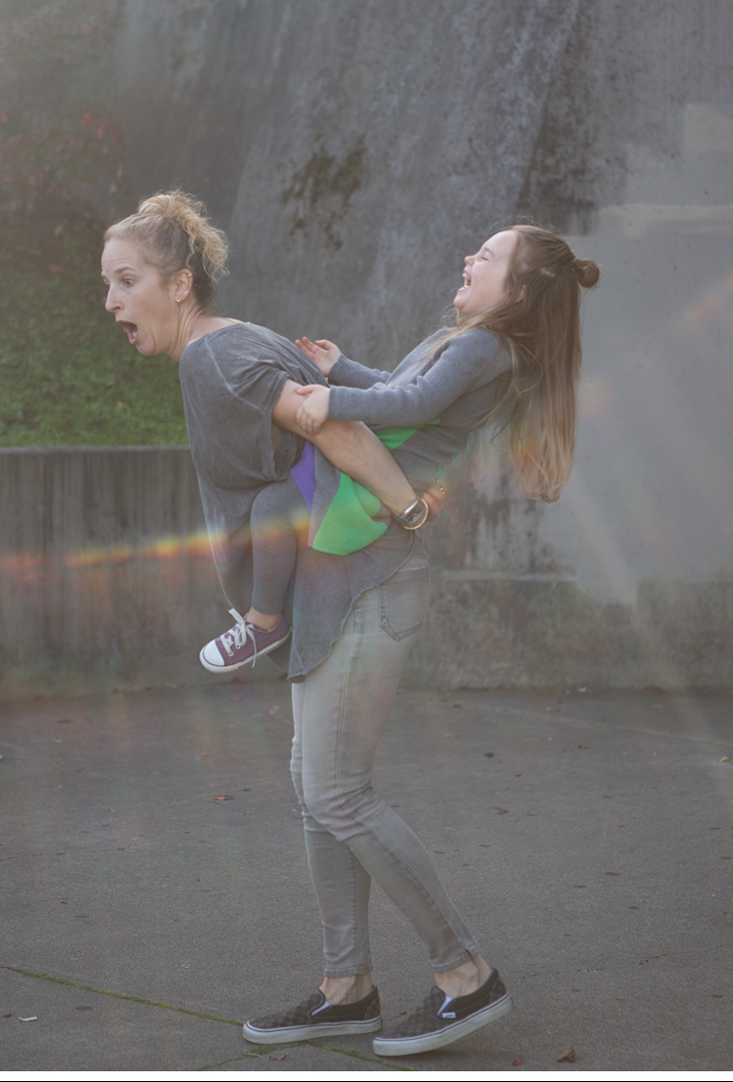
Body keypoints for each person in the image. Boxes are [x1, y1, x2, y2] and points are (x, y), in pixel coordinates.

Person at [101, 191, 599, 1056]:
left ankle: (467, 975)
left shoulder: (479, 346)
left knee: (337, 793)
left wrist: (340, 419)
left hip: (370, 578)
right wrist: (346, 372)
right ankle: (346, 989)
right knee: (316, 788)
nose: (469, 259)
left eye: (487, 256)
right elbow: (402, 393)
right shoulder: (458, 340)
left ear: (518, 292)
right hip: (339, 581)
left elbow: (373, 420)